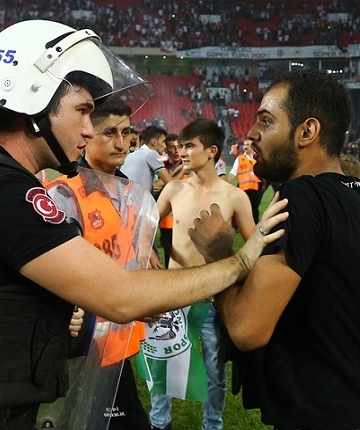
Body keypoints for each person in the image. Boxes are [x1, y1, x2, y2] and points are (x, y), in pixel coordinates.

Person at [0, 20, 287, 430]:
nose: (89, 130)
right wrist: (238, 263)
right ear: (34, 102)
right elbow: (121, 298)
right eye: (83, 110)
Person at [189, 69, 360, 429]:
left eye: (267, 121)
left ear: (307, 132)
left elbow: (248, 329)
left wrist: (218, 252)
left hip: (318, 416)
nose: (252, 133)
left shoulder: (301, 198)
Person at [44, 96, 150, 429]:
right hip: (82, 342)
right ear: (88, 136)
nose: (123, 143)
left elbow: (131, 252)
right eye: (110, 133)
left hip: (119, 334)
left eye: (127, 132)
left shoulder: (130, 191)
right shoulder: (64, 193)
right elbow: (56, 270)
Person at [151, 118, 254, 430]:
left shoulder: (234, 197)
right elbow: (144, 228)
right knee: (162, 364)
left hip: (211, 297)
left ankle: (213, 424)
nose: (182, 151)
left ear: (211, 151)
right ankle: (159, 422)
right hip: (173, 293)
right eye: (181, 145)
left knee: (214, 369)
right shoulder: (174, 188)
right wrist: (149, 251)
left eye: (189, 145)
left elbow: (254, 247)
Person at [156, 133, 185, 267]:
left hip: (186, 220)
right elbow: (154, 189)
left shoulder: (191, 169)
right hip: (167, 221)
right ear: (166, 149)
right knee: (169, 258)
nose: (176, 151)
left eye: (179, 146)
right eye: (172, 147)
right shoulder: (159, 168)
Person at [121, 125, 174, 196]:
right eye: (163, 142)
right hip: (137, 203)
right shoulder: (151, 153)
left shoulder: (131, 155)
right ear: (154, 142)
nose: (165, 146)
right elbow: (170, 182)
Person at [227, 138, 262, 223]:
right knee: (241, 208)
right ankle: (237, 225)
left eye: (247, 145)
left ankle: (254, 225)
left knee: (254, 208)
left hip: (255, 188)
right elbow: (233, 172)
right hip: (243, 188)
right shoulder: (240, 158)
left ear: (252, 146)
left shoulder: (258, 158)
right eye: (244, 145)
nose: (245, 147)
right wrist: (226, 184)